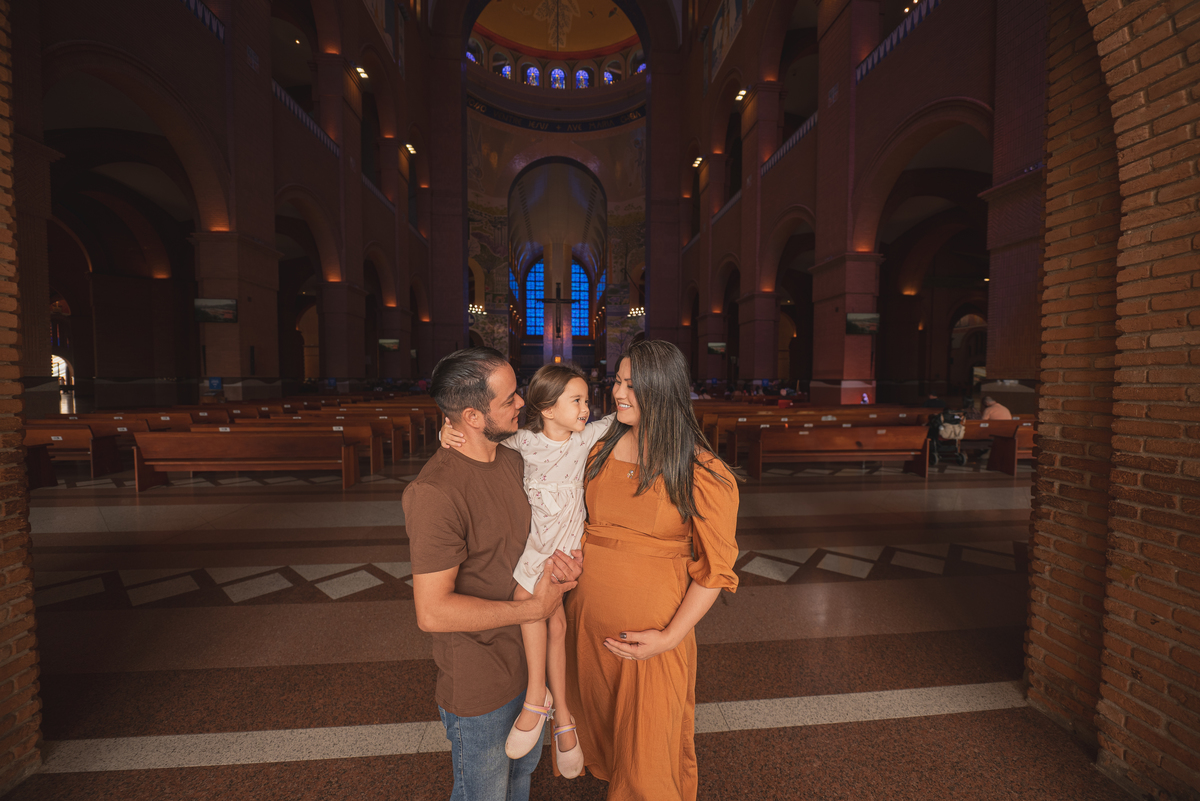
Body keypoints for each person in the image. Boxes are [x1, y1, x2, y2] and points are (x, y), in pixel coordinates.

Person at [404, 347, 583, 801]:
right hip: (480, 683)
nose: (522, 402)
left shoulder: (516, 460)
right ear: (472, 416)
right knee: (483, 794)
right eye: (509, 400)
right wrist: (537, 607)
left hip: (530, 667)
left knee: (520, 782)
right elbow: (432, 611)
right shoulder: (435, 492)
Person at [566, 340, 740, 800]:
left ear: (661, 390)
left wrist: (670, 637)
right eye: (618, 381)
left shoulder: (701, 470)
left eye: (631, 385)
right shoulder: (598, 447)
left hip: (653, 635)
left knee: (649, 768)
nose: (618, 392)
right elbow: (538, 461)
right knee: (610, 745)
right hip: (585, 631)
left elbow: (715, 570)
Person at [440, 363, 616, 779]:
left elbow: (621, 418)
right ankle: (563, 716)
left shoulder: (585, 437)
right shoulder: (522, 442)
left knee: (535, 606)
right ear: (547, 408)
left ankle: (539, 699)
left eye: (587, 400)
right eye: (576, 401)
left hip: (566, 547)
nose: (586, 409)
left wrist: (643, 388)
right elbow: (477, 433)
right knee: (552, 619)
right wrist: (446, 433)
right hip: (535, 548)